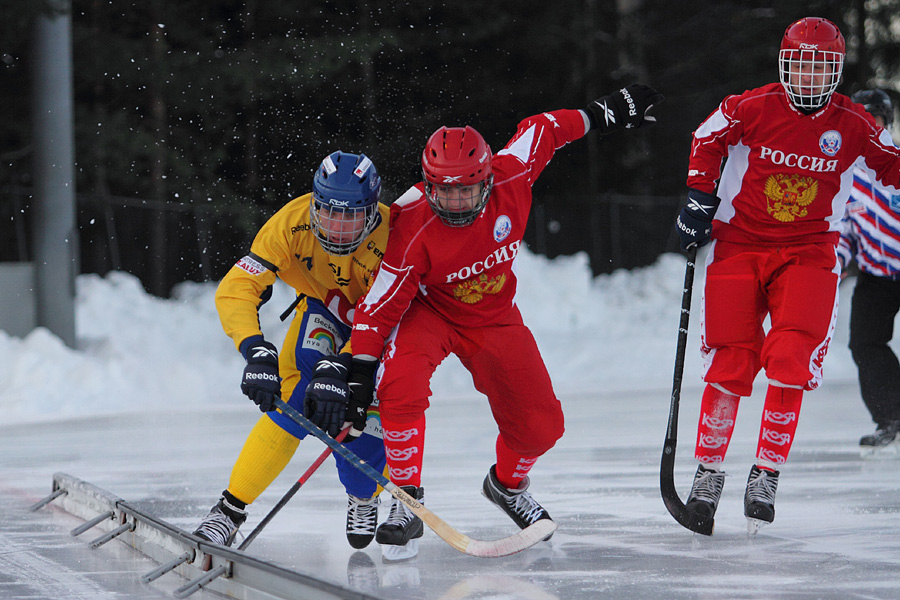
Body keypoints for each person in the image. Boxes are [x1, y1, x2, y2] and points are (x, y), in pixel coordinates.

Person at [310, 84, 663, 558]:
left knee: (542, 426)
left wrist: (602, 113)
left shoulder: (514, 174)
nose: (453, 203)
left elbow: (546, 128)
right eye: (442, 192)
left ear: (488, 177)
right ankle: (406, 497)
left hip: (494, 318)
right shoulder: (412, 221)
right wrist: (358, 377)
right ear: (427, 182)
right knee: (399, 386)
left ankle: (507, 486)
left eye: (466, 191)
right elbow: (380, 307)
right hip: (430, 313)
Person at [674, 16, 900, 532]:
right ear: (785, 66)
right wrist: (698, 195)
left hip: (809, 250)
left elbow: (892, 164)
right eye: (801, 66)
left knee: (791, 356)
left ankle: (765, 472)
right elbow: (706, 138)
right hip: (739, 243)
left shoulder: (854, 124)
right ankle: (708, 473)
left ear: (836, 72)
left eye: (821, 69)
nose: (810, 79)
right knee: (733, 358)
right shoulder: (750, 106)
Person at [192, 151, 390, 550]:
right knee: (294, 401)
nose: (337, 228)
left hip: (382, 325)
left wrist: (344, 368)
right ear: (314, 203)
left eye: (350, 217)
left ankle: (363, 495)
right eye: (328, 213)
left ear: (371, 214)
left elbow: (384, 316)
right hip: (322, 310)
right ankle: (229, 510)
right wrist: (255, 351)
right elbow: (237, 288)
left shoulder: (395, 236)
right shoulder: (289, 222)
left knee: (356, 417)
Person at [837, 89, 900, 457]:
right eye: (861, 117)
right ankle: (890, 417)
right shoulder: (843, 174)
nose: (867, 124)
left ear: (886, 121)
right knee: (864, 344)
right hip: (876, 274)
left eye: (874, 117)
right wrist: (837, 262)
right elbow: (842, 230)